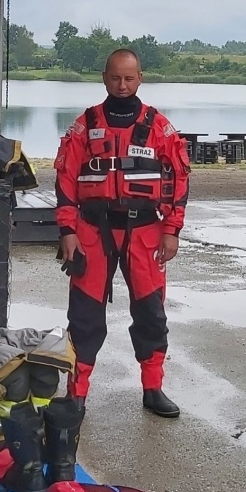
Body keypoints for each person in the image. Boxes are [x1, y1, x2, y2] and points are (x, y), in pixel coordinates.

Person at [54, 48, 191, 417]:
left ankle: (153, 388)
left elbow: (179, 179)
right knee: (83, 315)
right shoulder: (85, 125)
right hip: (92, 230)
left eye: (129, 78)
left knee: (151, 314)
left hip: (146, 230)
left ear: (140, 78)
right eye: (115, 77)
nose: (122, 84)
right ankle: (77, 391)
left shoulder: (159, 127)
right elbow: (66, 178)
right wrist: (67, 230)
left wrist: (173, 230)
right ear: (104, 77)